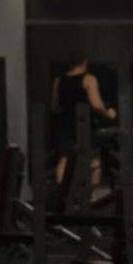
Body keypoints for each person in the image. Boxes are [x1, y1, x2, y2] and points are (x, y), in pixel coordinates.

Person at [51, 53, 116, 184]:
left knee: (64, 159)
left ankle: (62, 199)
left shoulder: (59, 80)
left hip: (66, 126)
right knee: (94, 159)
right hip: (85, 125)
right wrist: (108, 114)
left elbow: (55, 106)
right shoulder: (89, 79)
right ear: (85, 62)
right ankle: (92, 199)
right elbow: (97, 105)